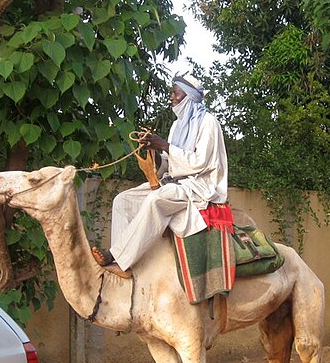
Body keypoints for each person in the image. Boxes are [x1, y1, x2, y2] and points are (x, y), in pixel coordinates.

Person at [92, 73, 228, 278]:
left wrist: (164, 144)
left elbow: (200, 163)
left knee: (157, 199)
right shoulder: (177, 125)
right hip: (175, 182)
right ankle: (127, 265)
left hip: (200, 186)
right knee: (123, 200)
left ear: (188, 96)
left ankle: (117, 257)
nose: (171, 97)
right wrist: (153, 152)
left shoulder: (208, 123)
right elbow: (168, 163)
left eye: (175, 93)